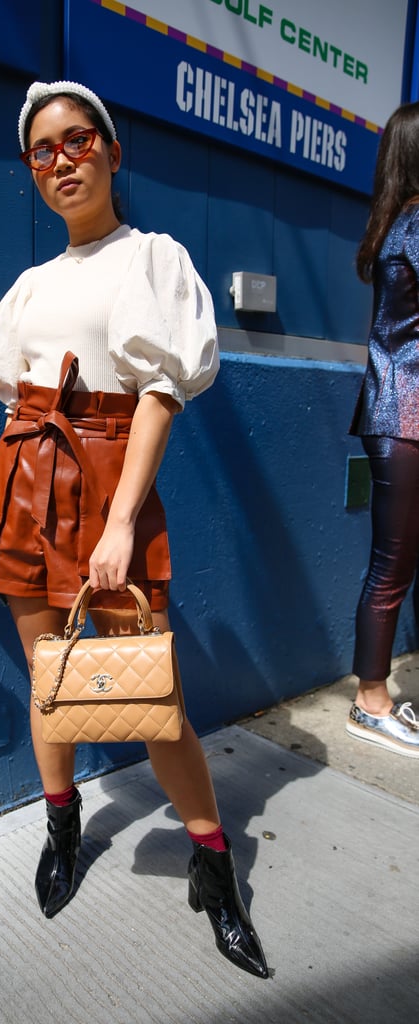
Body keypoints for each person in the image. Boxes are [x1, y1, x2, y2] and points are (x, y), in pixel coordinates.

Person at [0, 79, 268, 978]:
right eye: (42, 150)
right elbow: (17, 396)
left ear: (110, 149)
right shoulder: (27, 287)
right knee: (48, 678)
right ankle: (61, 825)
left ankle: (212, 864)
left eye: (77, 140)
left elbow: (158, 392)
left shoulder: (152, 258)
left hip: (108, 484)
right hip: (23, 477)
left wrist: (120, 520)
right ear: (31, 170)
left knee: (150, 693)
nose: (61, 160)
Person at [348, 100, 419, 757]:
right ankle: (370, 700)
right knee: (391, 565)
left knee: (397, 563)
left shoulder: (394, 222)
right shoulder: (416, 224)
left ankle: (377, 691)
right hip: (404, 416)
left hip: (398, 413)